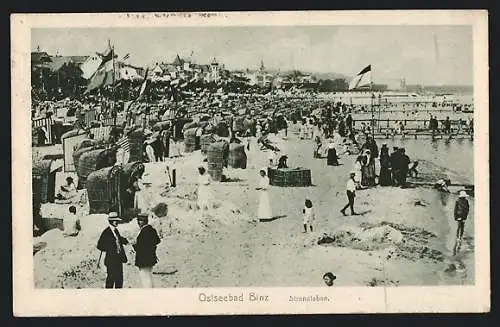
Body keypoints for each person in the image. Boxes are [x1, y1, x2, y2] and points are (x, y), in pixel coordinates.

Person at [96, 212, 129, 288]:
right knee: (111, 280)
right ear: (111, 221)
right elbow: (100, 245)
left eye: (117, 220)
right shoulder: (106, 232)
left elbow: (118, 239)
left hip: (118, 259)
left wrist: (125, 241)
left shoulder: (116, 231)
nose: (117, 222)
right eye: (115, 220)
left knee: (119, 280)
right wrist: (110, 247)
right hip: (111, 260)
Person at [132, 212, 161, 288]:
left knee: (145, 278)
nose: (138, 222)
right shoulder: (151, 229)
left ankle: (148, 294)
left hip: (143, 259)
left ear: (145, 221)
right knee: (149, 276)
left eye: (140, 220)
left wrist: (134, 245)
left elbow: (141, 247)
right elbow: (157, 240)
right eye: (138, 220)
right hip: (151, 258)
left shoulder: (144, 232)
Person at [453, 191, 470, 256]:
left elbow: (468, 208)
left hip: (464, 215)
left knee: (462, 226)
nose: (463, 198)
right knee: (459, 226)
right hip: (459, 215)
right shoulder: (457, 201)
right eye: (462, 197)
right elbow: (455, 209)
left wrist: (466, 215)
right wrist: (455, 217)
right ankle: (458, 237)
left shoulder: (466, 201)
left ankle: (461, 236)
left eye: (463, 197)